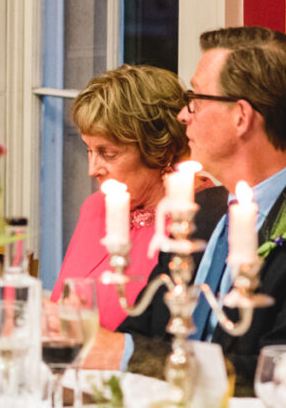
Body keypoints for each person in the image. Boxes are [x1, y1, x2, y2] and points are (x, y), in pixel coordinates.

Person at [86, 27, 286, 392]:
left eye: (196, 99)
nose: (183, 115)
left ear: (241, 116)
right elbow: (141, 329)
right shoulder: (201, 210)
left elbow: (283, 377)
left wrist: (127, 355)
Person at [52, 64, 198, 330]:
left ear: (160, 151)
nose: (92, 170)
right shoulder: (94, 208)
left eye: (108, 153)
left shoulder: (193, 220)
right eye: (89, 150)